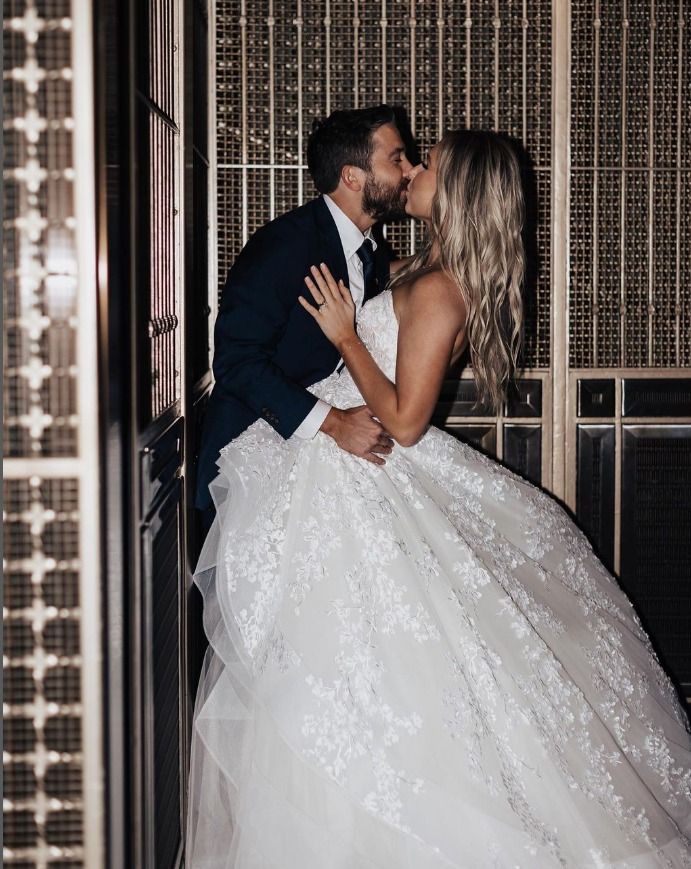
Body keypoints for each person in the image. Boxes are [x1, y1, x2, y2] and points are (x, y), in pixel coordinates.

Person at [186, 130, 691, 867]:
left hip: (367, 452)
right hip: (332, 457)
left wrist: (344, 337)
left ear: (456, 194)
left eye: (429, 166)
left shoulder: (438, 288)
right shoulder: (420, 267)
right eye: (409, 159)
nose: (415, 170)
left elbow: (405, 420)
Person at [194, 104, 414, 537]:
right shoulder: (284, 246)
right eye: (396, 158)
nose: (409, 169)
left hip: (316, 474)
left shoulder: (368, 248)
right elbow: (237, 364)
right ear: (353, 177)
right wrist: (334, 424)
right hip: (247, 465)